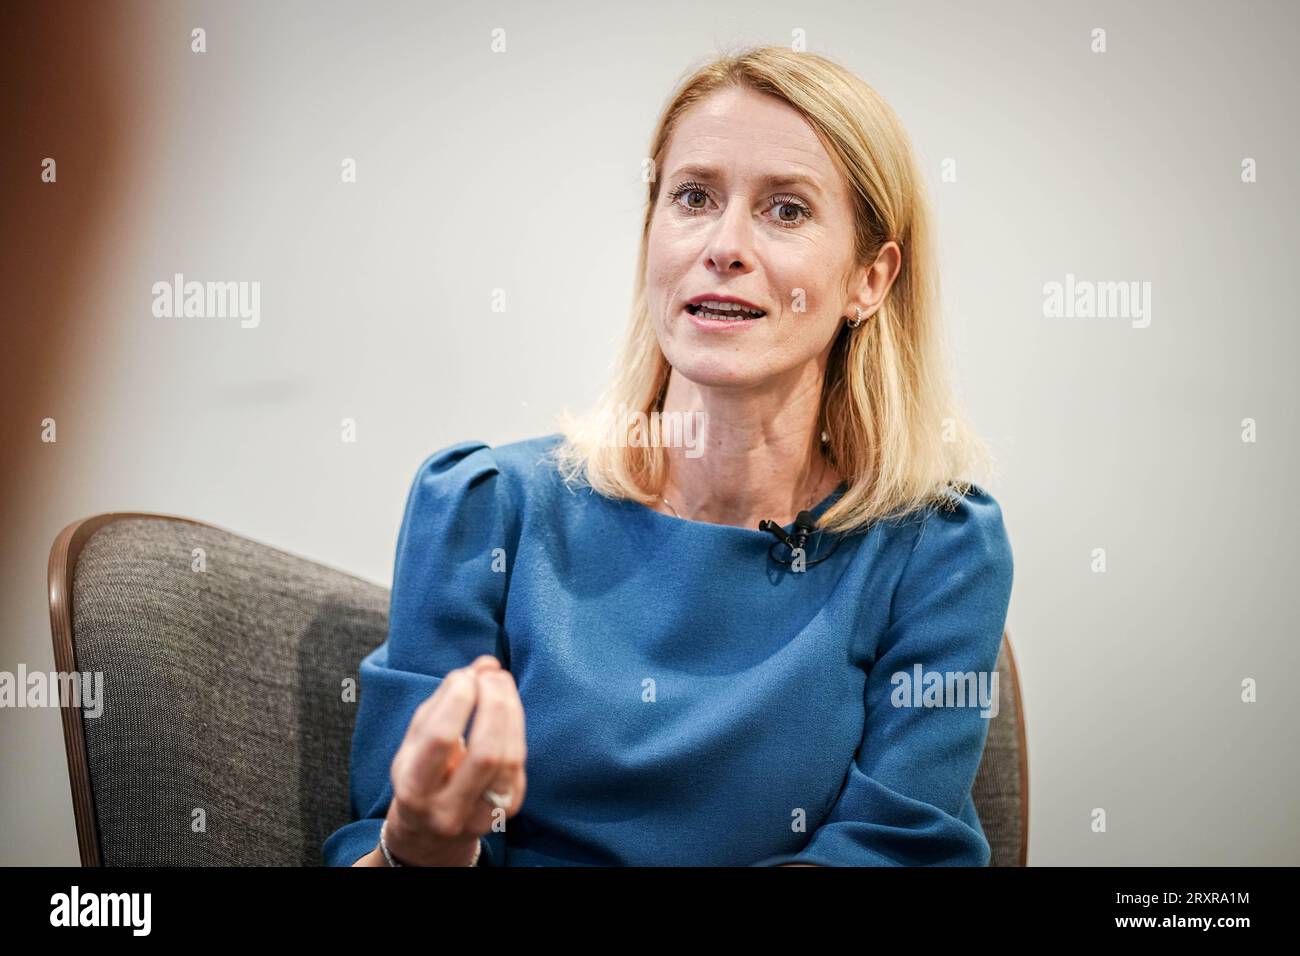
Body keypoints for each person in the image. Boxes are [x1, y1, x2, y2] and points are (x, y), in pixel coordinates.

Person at [324, 45, 1013, 867]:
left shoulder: (936, 549)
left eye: (786, 210)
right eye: (693, 197)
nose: (724, 245)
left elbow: (898, 851)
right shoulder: (485, 508)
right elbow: (383, 840)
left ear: (870, 277)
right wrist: (422, 846)